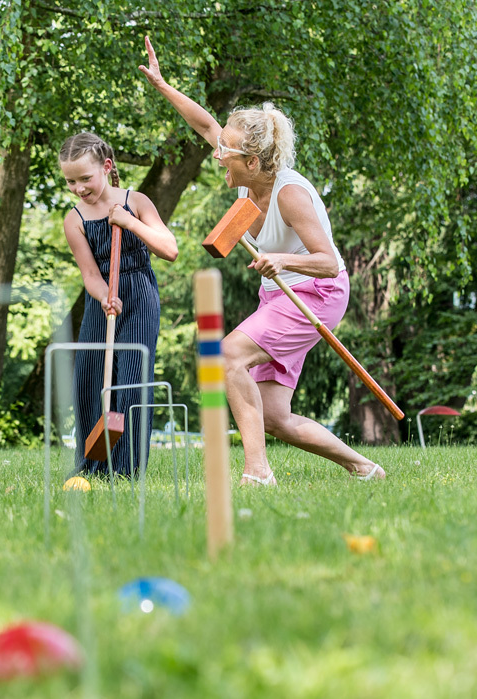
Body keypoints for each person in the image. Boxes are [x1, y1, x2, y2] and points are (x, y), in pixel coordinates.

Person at [139, 36, 385, 484]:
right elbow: (205, 124)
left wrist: (280, 261)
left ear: (252, 160)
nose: (218, 156)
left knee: (227, 353)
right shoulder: (246, 175)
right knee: (274, 416)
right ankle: (365, 467)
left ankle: (257, 471)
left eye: (226, 153)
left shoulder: (289, 194)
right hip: (278, 294)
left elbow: (329, 263)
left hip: (319, 291)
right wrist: (162, 85)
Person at [59, 132, 178, 476]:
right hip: (104, 300)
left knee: (131, 378)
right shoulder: (74, 220)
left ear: (106, 167)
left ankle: (126, 468)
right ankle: (92, 466)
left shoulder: (135, 200)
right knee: (89, 378)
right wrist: (104, 296)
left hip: (139, 294)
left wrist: (129, 222)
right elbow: (90, 274)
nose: (79, 187)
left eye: (85, 178)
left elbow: (169, 249)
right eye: (70, 181)